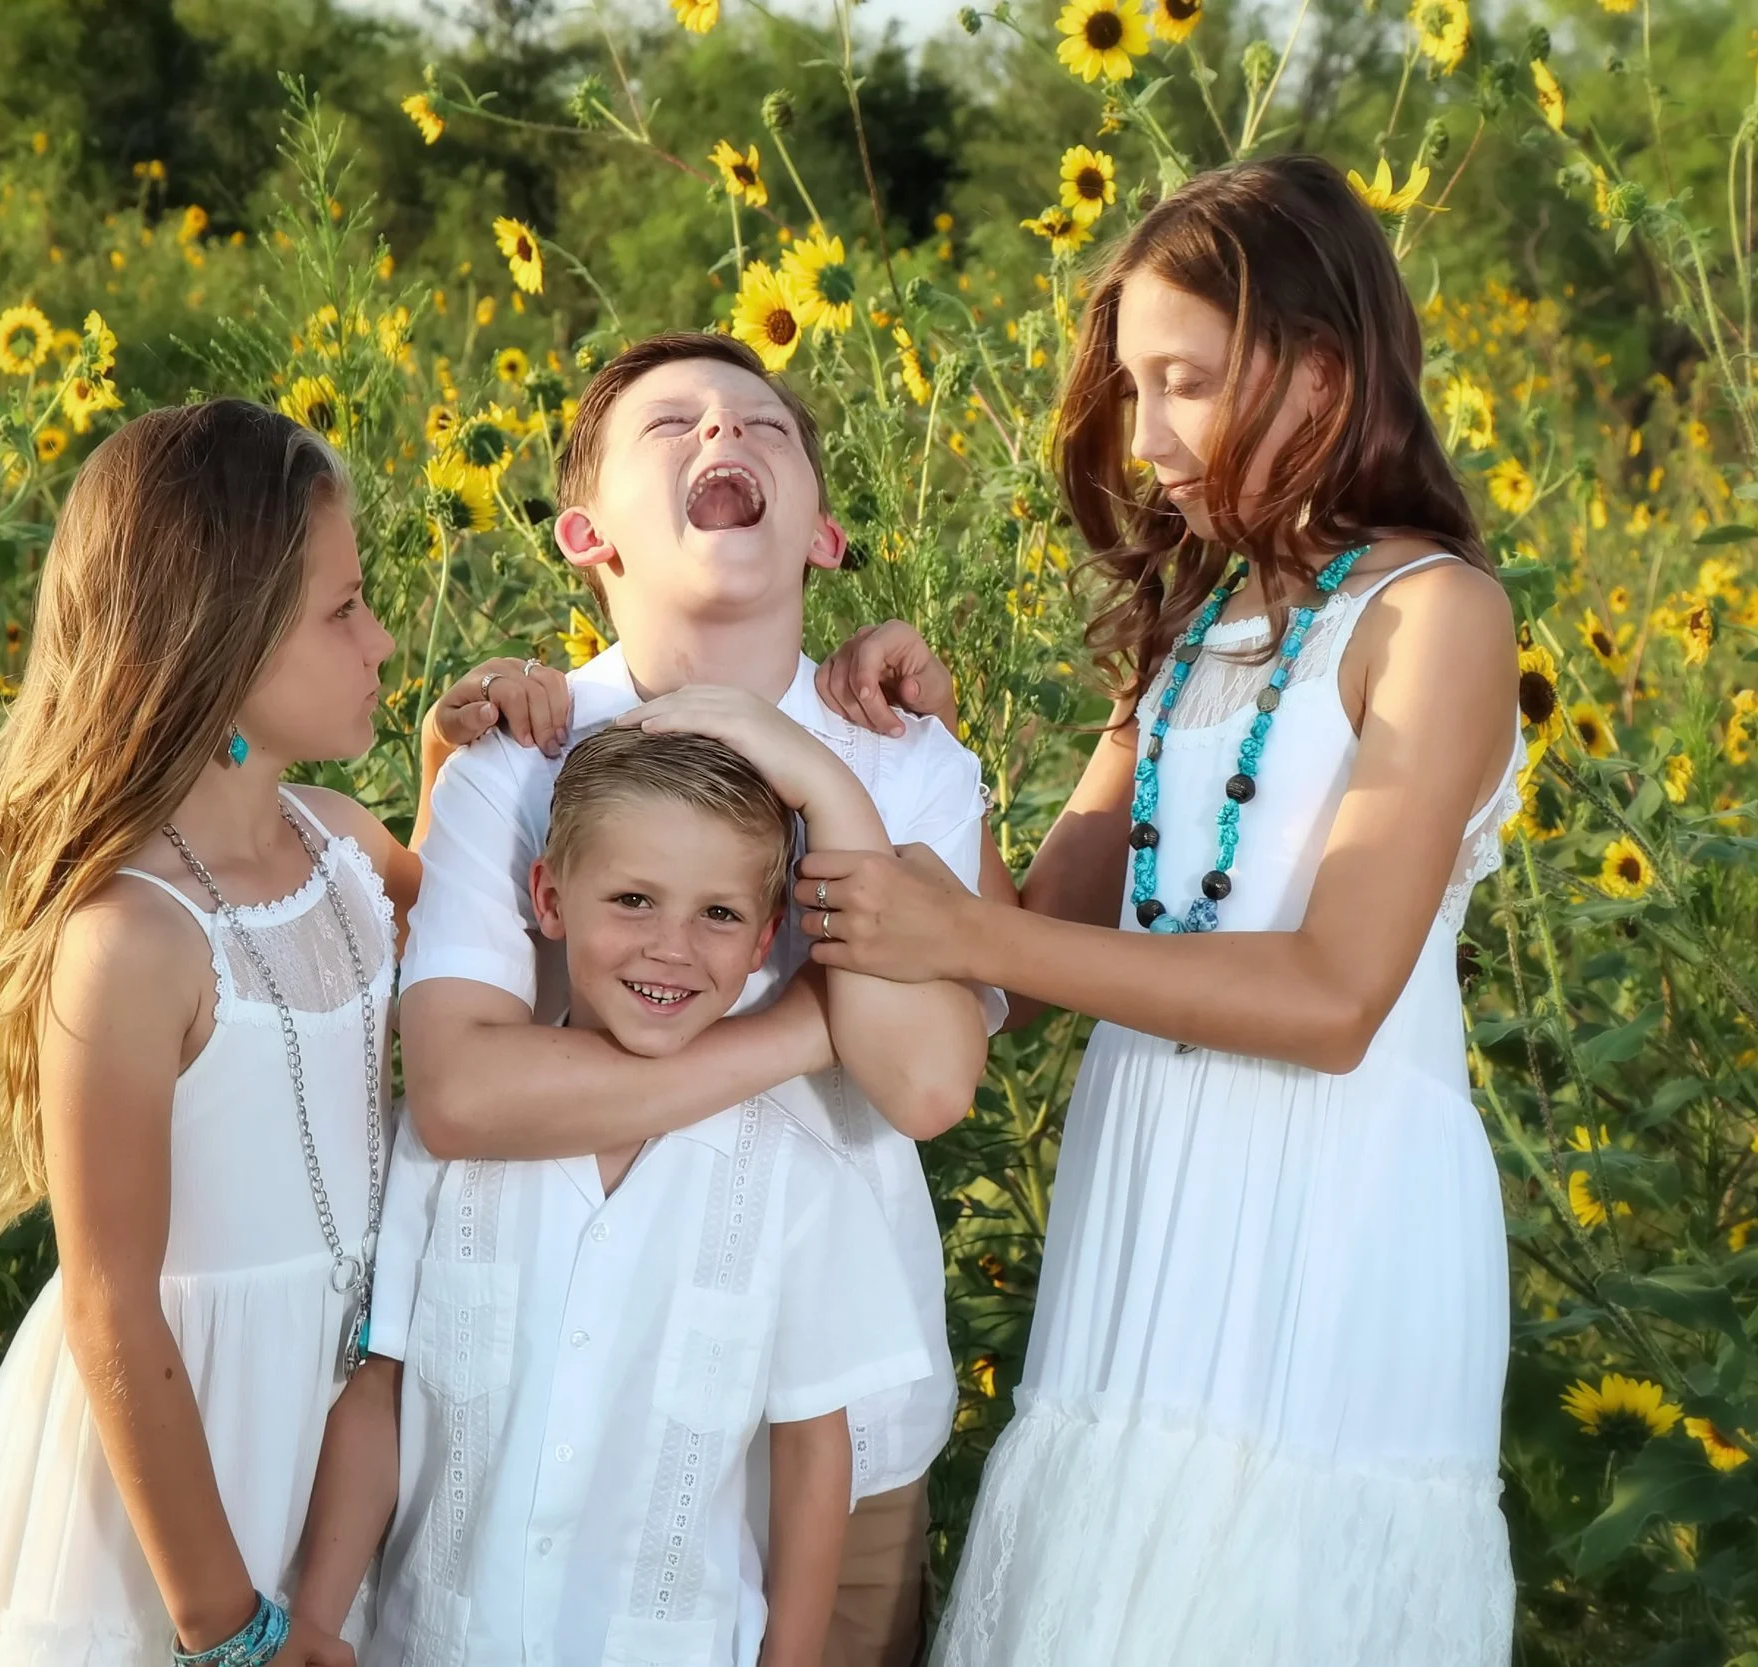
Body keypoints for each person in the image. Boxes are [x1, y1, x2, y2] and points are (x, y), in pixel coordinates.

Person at [802, 154, 1523, 1665]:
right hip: (1151, 1199)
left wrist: (976, 936)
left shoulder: (1436, 615)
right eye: (1132, 390)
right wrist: (920, 745)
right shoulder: (1201, 629)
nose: (1147, 440)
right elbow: (1032, 931)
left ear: (1323, 373)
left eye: (1186, 381)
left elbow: (1335, 999)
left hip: (1334, 1210)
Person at [0, 396, 571, 1667]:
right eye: (343, 609)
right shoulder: (131, 939)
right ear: (217, 639)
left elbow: (463, 963)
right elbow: (112, 1306)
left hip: (326, 1451)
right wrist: (226, 1626)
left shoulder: (338, 843)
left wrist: (457, 765)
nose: (381, 639)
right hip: (168, 1489)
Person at [387, 331, 998, 1665]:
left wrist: (811, 774)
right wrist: (804, 1024)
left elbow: (929, 1082)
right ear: (585, 530)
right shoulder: (518, 763)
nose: (725, 439)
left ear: (825, 536)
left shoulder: (907, 766)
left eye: (764, 427)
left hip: (832, 1440)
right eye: (672, 427)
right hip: (539, 1412)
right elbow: (462, 1087)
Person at [287, 724, 936, 1667]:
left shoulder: (798, 1180)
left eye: (718, 914)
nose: (670, 949)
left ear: (764, 940)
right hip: (440, 1641)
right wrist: (317, 1615)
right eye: (633, 899)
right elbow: (378, 1390)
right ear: (549, 897)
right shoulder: (444, 1149)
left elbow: (811, 1450)